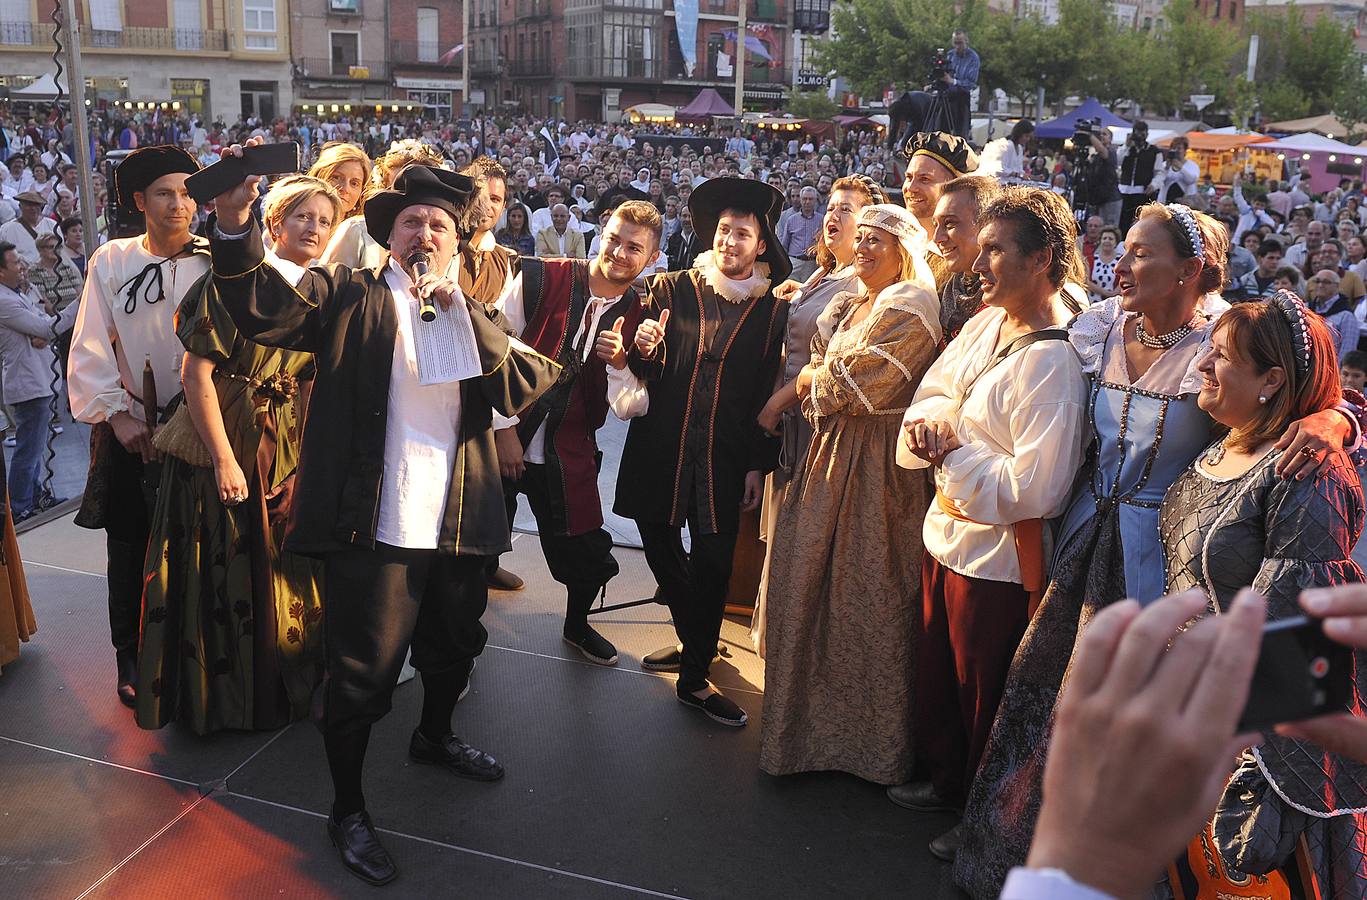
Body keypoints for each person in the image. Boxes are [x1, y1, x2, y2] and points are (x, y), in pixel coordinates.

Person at [954, 202, 1361, 898]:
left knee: (1135, 710)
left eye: (1142, 252)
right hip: (1085, 534)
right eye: (1122, 246)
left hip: (1168, 548)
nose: (1119, 261)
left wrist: (1335, 419)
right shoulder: (1100, 323)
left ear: (1190, 270)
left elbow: (1298, 382)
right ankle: (1017, 856)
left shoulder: (1228, 337)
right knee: (1046, 697)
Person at [209, 159, 560, 885]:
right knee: (361, 676)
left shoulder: (472, 311)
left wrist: (458, 306)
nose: (424, 233)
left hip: (459, 516)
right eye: (410, 222)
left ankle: (434, 736)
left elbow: (526, 385)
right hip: (375, 519)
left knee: (455, 644)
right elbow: (258, 307)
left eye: (438, 225)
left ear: (457, 245)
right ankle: (347, 808)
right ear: (387, 237)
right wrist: (234, 228)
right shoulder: (347, 294)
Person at [894, 188, 1089, 862]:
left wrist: (953, 448)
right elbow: (934, 392)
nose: (979, 264)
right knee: (941, 678)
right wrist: (940, 426)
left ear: (1042, 260)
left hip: (997, 560)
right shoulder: (986, 323)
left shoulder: (1053, 361)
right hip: (946, 533)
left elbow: (1036, 487)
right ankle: (947, 785)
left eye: (997, 250)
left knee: (986, 699)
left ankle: (982, 821)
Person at [1158, 294, 1367, 897]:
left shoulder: (1308, 476)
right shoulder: (1227, 439)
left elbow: (1296, 632)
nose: (1201, 365)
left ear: (1272, 379)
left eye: (1220, 356)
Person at [135, 175, 342, 735]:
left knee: (284, 567)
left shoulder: (323, 293)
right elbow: (195, 373)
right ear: (274, 223)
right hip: (221, 437)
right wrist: (224, 458)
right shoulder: (231, 282)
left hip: (287, 440)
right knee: (220, 570)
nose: (314, 229)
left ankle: (278, 692)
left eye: (325, 220)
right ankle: (221, 701)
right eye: (302, 216)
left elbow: (315, 382)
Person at [759, 202, 941, 782]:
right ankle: (804, 734)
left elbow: (849, 385)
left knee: (867, 594)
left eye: (875, 241)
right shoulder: (855, 301)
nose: (861, 248)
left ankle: (869, 749)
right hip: (830, 454)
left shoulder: (912, 307)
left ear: (903, 252)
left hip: (876, 470)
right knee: (810, 586)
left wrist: (809, 380)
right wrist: (814, 378)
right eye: (858, 238)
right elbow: (824, 372)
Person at [615, 177, 790, 727]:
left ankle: (694, 675)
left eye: (742, 233)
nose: (729, 242)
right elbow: (641, 365)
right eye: (722, 231)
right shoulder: (669, 289)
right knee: (658, 540)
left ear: (761, 245)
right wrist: (641, 349)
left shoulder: (772, 312)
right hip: (663, 445)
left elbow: (767, 391)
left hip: (726, 454)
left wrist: (759, 464)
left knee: (714, 561)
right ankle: (699, 640)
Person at [67, 145, 207, 709]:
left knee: (198, 543)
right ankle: (130, 652)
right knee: (129, 545)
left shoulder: (216, 258)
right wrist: (118, 415)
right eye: (165, 193)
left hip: (202, 424)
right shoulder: (111, 260)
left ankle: (193, 651)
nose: (180, 204)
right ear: (139, 202)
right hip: (134, 424)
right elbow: (91, 342)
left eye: (187, 192)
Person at [491, 200, 660, 667]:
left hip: (569, 448)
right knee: (476, 537)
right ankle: (461, 639)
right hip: (505, 433)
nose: (621, 254)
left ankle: (577, 624)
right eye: (615, 240)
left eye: (635, 248)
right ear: (601, 232)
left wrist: (623, 364)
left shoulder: (642, 312)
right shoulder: (544, 276)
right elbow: (495, 349)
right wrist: (504, 429)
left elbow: (631, 408)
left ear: (652, 256)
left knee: (585, 546)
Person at [750, 174, 883, 656]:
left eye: (847, 209)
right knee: (781, 534)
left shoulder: (862, 286)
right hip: (788, 424)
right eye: (831, 206)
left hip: (811, 423)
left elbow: (824, 363)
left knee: (800, 537)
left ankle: (789, 650)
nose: (833, 215)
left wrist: (773, 405)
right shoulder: (819, 274)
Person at [0, 242, 73, 521]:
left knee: (34, 447)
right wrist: (81, 301)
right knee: (28, 451)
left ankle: (33, 495)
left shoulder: (16, 294)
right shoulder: (5, 301)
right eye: (15, 263)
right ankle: (19, 507)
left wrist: (46, 329)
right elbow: (46, 326)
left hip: (35, 380)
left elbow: (43, 322)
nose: (22, 267)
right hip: (27, 383)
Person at [318, 138, 445, 271]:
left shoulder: (443, 238)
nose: (408, 198)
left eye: (418, 189)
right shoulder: (358, 230)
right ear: (382, 189)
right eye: (398, 189)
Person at [900, 132, 979, 292]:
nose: (911, 188)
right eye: (909, 177)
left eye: (925, 179)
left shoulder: (963, 259)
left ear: (952, 187)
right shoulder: (901, 243)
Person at [929, 175, 998, 340]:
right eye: (935, 225)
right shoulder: (943, 288)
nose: (937, 238)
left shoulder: (1007, 300)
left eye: (950, 224)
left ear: (986, 226)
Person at [307, 141, 372, 221]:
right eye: (336, 177)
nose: (345, 189)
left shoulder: (363, 231)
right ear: (319, 176)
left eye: (354, 183)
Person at [1306, 268, 1361, 361]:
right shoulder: (1306, 309)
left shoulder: (1346, 316)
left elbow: (1346, 352)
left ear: (1337, 286)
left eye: (1326, 282)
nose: (1320, 285)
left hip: (1331, 369)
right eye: (1317, 281)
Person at [1117, 121, 1161, 232]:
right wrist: (1126, 145)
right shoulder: (1126, 149)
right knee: (1123, 222)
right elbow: (1117, 161)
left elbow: (1159, 172)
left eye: (1142, 133)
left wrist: (1154, 184)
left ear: (1147, 134)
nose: (1140, 136)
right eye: (1137, 133)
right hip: (1124, 190)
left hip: (1143, 191)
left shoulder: (1154, 151)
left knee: (1139, 222)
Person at [777, 186, 822, 283]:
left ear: (815, 201)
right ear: (801, 200)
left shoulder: (821, 220)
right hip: (794, 262)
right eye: (805, 199)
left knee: (809, 294)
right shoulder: (791, 220)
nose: (807, 202)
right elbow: (784, 245)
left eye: (810, 199)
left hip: (812, 264)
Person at [0, 191, 57, 265]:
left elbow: (61, 251)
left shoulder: (52, 225)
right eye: (28, 205)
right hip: (20, 272)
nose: (33, 208)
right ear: (20, 206)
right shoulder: (6, 229)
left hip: (49, 271)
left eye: (36, 204)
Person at [943, 30, 979, 139]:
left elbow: (971, 83)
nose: (957, 46)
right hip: (947, 97)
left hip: (961, 98)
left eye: (960, 43)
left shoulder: (973, 58)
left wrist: (953, 81)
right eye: (955, 43)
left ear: (966, 41)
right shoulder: (950, 55)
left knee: (960, 135)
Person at [1151, 137, 1199, 206]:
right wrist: (1167, 168)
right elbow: (1159, 180)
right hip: (1165, 201)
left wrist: (1181, 168)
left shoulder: (1192, 165)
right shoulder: (1164, 165)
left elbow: (1191, 180)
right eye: (1174, 148)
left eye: (1179, 148)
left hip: (1185, 202)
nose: (1176, 150)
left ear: (1185, 150)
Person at [1086, 225, 1121, 302]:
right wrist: (1105, 292)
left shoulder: (1121, 260)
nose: (1107, 241)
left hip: (1114, 303)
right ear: (1100, 241)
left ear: (1116, 242)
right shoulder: (1090, 259)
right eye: (1104, 238)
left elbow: (1125, 279)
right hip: (1092, 303)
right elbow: (1086, 281)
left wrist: (1114, 293)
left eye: (1111, 239)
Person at [666, 204, 702, 271]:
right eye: (684, 216)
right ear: (679, 217)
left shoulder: (701, 239)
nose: (687, 219)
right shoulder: (673, 238)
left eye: (690, 216)